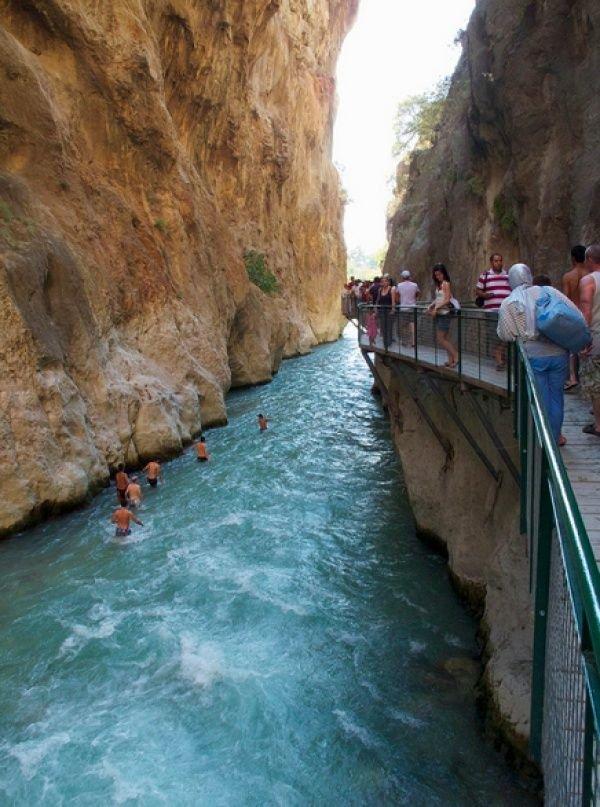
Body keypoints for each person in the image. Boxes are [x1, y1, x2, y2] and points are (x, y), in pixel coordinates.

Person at [498, 263, 578, 445]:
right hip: (559, 352)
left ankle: (542, 439)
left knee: (540, 398)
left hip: (534, 355)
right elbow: (571, 312)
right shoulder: (548, 293)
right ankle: (556, 436)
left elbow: (506, 334)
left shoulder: (509, 302)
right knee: (557, 396)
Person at [578, 245, 600, 437]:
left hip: (596, 335)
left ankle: (599, 425)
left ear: (589, 260)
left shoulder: (588, 280)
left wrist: (583, 339)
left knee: (595, 382)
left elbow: (586, 309)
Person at [475, 253, 511, 370]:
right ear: (491, 262)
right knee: (494, 335)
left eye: (500, 260)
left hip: (506, 311)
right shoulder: (485, 275)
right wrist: (484, 295)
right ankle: (500, 361)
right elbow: (478, 290)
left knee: (507, 335)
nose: (498, 263)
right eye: (496, 261)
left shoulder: (508, 275)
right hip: (491, 310)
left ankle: (500, 355)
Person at [562, 245, 589, 391]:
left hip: (573, 314)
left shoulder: (568, 277)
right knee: (587, 348)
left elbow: (565, 299)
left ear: (572, 258)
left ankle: (572, 378)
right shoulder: (590, 274)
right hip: (588, 312)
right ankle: (587, 380)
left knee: (572, 347)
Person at [427, 263, 458, 368]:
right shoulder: (439, 285)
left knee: (441, 339)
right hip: (440, 313)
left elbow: (447, 299)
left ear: (444, 273)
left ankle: (456, 356)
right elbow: (438, 298)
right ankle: (450, 360)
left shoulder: (445, 283)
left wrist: (436, 308)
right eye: (436, 275)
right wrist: (431, 305)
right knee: (445, 338)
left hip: (444, 313)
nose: (438, 277)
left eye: (440, 274)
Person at [396, 270, 421, 347]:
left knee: (404, 325)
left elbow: (397, 295)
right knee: (412, 325)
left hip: (403, 308)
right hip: (413, 307)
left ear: (402, 277)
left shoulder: (399, 285)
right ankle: (413, 342)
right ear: (409, 276)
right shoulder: (414, 285)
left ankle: (405, 341)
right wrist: (413, 298)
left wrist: (400, 300)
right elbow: (418, 293)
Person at [376, 275, 394, 350]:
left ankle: (389, 343)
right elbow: (378, 300)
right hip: (382, 312)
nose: (384, 283)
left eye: (385, 281)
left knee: (389, 327)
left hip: (389, 311)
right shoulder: (380, 290)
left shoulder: (391, 289)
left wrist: (393, 309)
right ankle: (385, 343)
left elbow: (393, 301)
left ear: (388, 282)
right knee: (383, 327)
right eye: (382, 281)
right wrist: (376, 309)